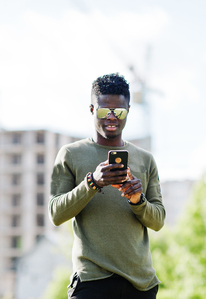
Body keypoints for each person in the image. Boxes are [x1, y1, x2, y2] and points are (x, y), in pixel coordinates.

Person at [49, 73, 166, 299]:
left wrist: (137, 200)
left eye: (119, 111)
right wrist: (93, 182)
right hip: (91, 282)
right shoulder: (70, 154)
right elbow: (55, 213)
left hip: (140, 284)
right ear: (92, 109)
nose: (111, 117)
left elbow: (158, 220)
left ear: (128, 111)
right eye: (104, 110)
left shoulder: (146, 159)